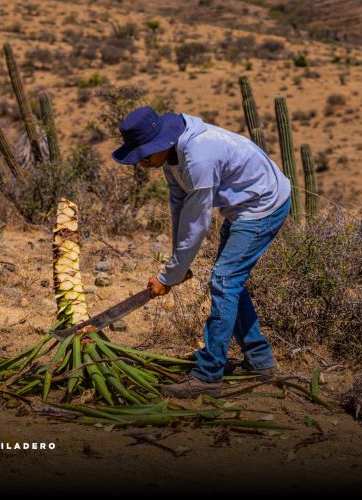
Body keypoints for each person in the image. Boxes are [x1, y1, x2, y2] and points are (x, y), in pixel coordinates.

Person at [112, 106, 292, 398]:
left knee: (224, 280)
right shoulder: (172, 158)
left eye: (144, 154)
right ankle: (260, 362)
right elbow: (179, 207)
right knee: (229, 282)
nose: (141, 163)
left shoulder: (199, 155)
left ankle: (208, 377)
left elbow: (197, 223)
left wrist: (168, 275)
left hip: (263, 205)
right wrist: (177, 269)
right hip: (241, 207)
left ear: (162, 143)